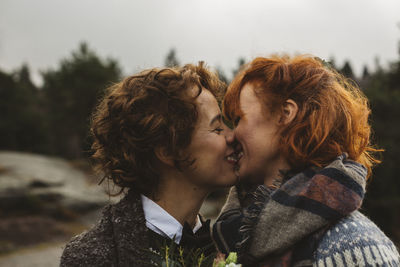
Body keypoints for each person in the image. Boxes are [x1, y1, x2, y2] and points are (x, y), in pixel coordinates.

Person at [212, 55, 400, 266]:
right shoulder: (224, 240)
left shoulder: (354, 246)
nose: (231, 136)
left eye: (239, 119)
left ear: (285, 114)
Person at [60, 62, 238, 267]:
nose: (232, 135)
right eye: (217, 128)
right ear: (167, 150)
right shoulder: (92, 257)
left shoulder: (229, 242)